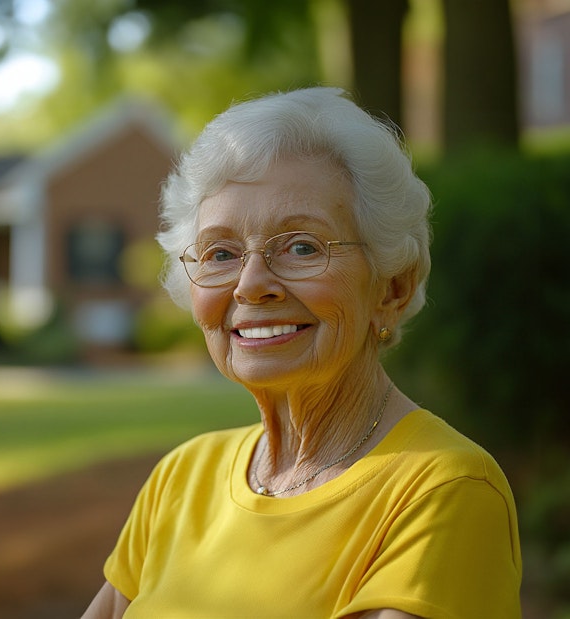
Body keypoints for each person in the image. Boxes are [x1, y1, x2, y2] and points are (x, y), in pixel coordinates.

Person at [82, 87, 522, 618]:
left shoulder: (442, 489)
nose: (251, 285)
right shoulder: (181, 478)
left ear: (392, 289)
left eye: (302, 247)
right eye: (221, 252)